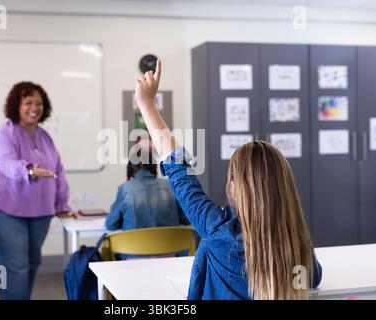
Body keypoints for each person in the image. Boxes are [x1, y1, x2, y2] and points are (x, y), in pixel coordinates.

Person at [134, 59, 322, 300]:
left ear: (234, 188)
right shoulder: (297, 243)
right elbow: (313, 278)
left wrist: (147, 104)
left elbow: (178, 169)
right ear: (285, 188)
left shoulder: (218, 228)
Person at [0, 81, 72, 300]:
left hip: (39, 212)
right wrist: (28, 170)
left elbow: (57, 171)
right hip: (2, 211)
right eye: (28, 102)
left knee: (31, 263)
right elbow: (6, 162)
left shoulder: (45, 137)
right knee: (15, 267)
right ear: (16, 106)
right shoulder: (5, 132)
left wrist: (61, 205)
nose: (34, 107)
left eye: (39, 103)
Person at [105, 148, 189, 231]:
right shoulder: (170, 185)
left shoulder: (125, 189)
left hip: (134, 244)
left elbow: (111, 224)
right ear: (154, 166)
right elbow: (186, 219)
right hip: (170, 244)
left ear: (130, 168)